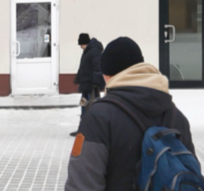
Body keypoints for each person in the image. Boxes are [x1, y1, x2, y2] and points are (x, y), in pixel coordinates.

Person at [65, 37, 197, 190]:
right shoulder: (176, 116)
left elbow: (82, 184)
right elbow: (191, 174)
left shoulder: (99, 117)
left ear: (107, 75)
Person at [71, 33, 105, 136]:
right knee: (83, 105)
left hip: (92, 86)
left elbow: (97, 68)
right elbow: (83, 67)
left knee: (93, 106)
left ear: (85, 43)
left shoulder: (95, 51)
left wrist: (96, 83)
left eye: (81, 44)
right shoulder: (87, 51)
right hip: (86, 85)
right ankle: (82, 129)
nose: (80, 47)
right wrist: (78, 78)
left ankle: (93, 130)